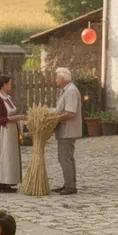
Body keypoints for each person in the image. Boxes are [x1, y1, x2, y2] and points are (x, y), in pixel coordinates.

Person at [0, 74, 25, 193]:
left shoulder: (7, 97)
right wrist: (15, 118)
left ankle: (8, 181)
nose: (11, 85)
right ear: (4, 84)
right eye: (9, 83)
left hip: (11, 131)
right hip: (2, 132)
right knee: (3, 156)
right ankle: (0, 183)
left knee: (10, 157)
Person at [53, 67, 82, 196]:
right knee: (66, 157)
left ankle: (70, 186)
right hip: (66, 130)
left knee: (65, 158)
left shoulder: (71, 91)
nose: (56, 80)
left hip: (68, 130)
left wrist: (55, 119)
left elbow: (70, 112)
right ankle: (68, 183)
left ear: (64, 78)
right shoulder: (67, 90)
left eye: (57, 77)